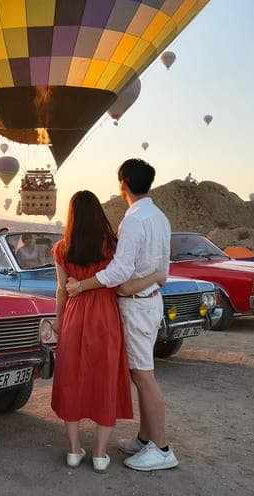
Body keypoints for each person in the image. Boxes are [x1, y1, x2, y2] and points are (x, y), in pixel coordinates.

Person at [66, 159, 177, 471]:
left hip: (137, 306)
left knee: (143, 376)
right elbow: (163, 271)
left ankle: (162, 448)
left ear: (122, 183)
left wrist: (83, 285)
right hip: (149, 301)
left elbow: (120, 270)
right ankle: (144, 438)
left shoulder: (132, 221)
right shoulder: (160, 218)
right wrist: (150, 280)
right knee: (137, 373)